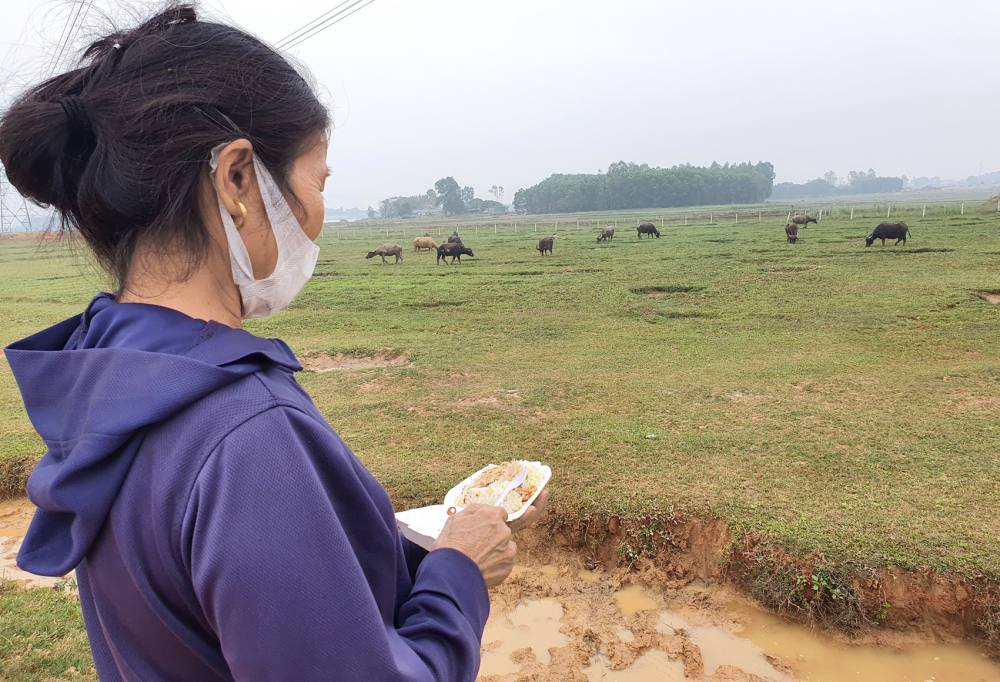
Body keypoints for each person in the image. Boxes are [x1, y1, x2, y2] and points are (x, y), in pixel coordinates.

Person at [0, 5, 547, 681]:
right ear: (237, 181)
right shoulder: (247, 437)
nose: (317, 215)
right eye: (318, 182)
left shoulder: (103, 379)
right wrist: (460, 573)